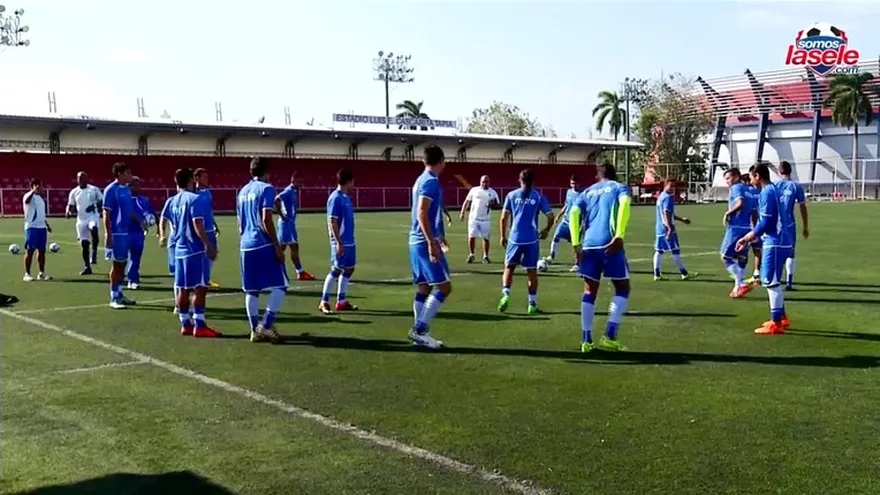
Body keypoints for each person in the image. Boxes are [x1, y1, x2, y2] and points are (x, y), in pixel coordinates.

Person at [570, 163, 631, 352]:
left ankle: (586, 340)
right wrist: (619, 235)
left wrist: (575, 243)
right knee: (622, 287)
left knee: (589, 291)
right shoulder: (619, 187)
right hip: (609, 242)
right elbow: (625, 205)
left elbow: (573, 213)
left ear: (598, 176)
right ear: (614, 174)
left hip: (588, 244)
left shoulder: (587, 192)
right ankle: (609, 336)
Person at [164, 168, 221, 338]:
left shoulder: (172, 201)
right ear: (190, 180)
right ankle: (200, 325)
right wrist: (208, 245)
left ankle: (185, 323)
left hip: (179, 249)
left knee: (182, 288)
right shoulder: (195, 199)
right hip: (195, 250)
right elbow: (198, 224)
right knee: (200, 287)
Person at [736, 162, 791, 335]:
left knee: (770, 282)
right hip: (783, 239)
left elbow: (766, 222)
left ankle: (776, 323)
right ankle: (781, 317)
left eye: (751, 177)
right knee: (774, 281)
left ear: (758, 176)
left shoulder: (767, 192)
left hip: (774, 241)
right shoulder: (775, 190)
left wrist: (747, 237)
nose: (750, 181)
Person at [237, 157, 288, 342]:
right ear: (267, 172)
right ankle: (266, 325)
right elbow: (266, 219)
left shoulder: (242, 191)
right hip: (263, 243)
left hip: (245, 246)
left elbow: (240, 223)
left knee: (252, 290)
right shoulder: (267, 188)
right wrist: (276, 244)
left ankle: (254, 330)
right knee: (281, 286)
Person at [409, 145, 452, 349]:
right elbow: (422, 212)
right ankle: (420, 330)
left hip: (415, 240)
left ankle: (420, 334)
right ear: (441, 161)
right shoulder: (430, 181)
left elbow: (430, 213)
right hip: (423, 241)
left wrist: (439, 236)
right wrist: (431, 242)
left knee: (424, 287)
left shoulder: (420, 179)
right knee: (444, 287)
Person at [498, 169, 554, 314]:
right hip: (531, 240)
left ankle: (505, 294)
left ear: (520, 180)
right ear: (533, 181)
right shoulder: (538, 196)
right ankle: (532, 304)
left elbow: (504, 218)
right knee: (531, 271)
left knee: (509, 268)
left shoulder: (511, 195)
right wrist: (546, 230)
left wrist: (502, 236)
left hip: (515, 238)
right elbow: (550, 216)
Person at [319, 169, 358, 314]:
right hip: (341, 242)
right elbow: (332, 221)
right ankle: (324, 301)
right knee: (336, 270)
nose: (353, 185)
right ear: (348, 181)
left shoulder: (345, 197)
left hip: (349, 241)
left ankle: (341, 301)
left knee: (349, 268)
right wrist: (338, 243)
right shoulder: (335, 198)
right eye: (353, 182)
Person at [102, 163, 137, 309]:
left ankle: (120, 293)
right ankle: (114, 297)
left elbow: (129, 210)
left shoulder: (126, 190)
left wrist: (141, 221)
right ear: (119, 174)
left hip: (126, 232)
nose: (130, 175)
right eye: (128, 173)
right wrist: (108, 233)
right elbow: (106, 213)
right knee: (117, 265)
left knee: (122, 264)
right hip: (117, 233)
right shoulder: (111, 190)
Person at [652, 179, 697, 281]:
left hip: (659, 228)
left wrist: (681, 220)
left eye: (674, 186)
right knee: (675, 251)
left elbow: (669, 214)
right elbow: (666, 213)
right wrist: (669, 228)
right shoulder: (668, 198)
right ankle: (684, 274)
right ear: (665, 185)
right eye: (671, 185)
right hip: (666, 227)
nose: (673, 188)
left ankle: (657, 275)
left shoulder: (661, 197)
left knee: (659, 251)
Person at [275, 171, 315, 281]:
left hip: (289, 224)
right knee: (288, 248)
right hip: (286, 225)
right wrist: (282, 215)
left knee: (285, 248)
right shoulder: (288, 191)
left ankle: (299, 272)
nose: (301, 184)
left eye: (302, 182)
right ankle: (299, 272)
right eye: (299, 182)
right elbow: (277, 199)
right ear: (293, 180)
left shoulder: (293, 191)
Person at [775, 160, 809, 290]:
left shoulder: (774, 185)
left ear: (779, 172)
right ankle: (789, 282)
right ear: (791, 171)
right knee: (790, 252)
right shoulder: (795, 186)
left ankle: (775, 280)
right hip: (789, 224)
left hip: (775, 223)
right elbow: (802, 207)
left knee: (775, 250)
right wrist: (805, 226)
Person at [720, 168, 753, 299]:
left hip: (736, 228)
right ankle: (737, 287)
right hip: (747, 227)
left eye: (728, 178)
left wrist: (728, 213)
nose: (727, 181)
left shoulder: (736, 188)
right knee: (741, 257)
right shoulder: (747, 189)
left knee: (725, 256)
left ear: (736, 177)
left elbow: (740, 203)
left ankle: (741, 283)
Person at [66, 171, 103, 274]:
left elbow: (101, 201)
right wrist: (68, 211)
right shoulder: (74, 192)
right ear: (77, 180)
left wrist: (94, 206)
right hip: (81, 219)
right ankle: (87, 267)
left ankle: (94, 253)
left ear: (87, 179)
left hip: (92, 216)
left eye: (84, 178)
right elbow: (70, 204)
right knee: (84, 244)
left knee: (94, 228)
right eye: (80, 178)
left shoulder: (94, 189)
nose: (82, 180)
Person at [458, 174, 499, 263]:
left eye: (486, 182)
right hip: (473, 218)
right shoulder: (474, 190)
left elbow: (497, 204)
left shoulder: (492, 192)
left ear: (489, 182)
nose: (485, 183)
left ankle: (485, 256)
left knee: (486, 238)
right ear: (480, 182)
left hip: (485, 219)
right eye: (483, 182)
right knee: (471, 237)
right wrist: (462, 212)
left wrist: (492, 204)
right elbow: (467, 201)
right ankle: (471, 254)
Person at [543, 175, 581, 272]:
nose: (574, 185)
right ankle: (551, 257)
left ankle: (578, 264)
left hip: (575, 223)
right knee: (556, 237)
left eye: (575, 183)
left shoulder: (582, 195)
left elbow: (584, 210)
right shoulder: (569, 192)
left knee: (575, 244)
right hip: (565, 221)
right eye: (572, 183)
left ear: (579, 183)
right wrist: (558, 216)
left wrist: (583, 224)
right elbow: (566, 205)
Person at [125, 177, 155, 289]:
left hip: (138, 233)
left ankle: (133, 280)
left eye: (139, 185)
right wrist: (141, 221)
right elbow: (129, 213)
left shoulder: (144, 200)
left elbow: (150, 214)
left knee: (136, 257)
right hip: (124, 232)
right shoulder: (124, 199)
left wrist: (150, 221)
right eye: (135, 185)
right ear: (129, 186)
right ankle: (117, 281)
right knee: (121, 258)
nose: (138, 188)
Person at [194, 168, 221, 289]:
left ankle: (206, 279)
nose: (207, 178)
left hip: (210, 229)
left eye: (207, 176)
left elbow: (209, 211)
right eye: (204, 176)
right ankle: (199, 281)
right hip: (199, 230)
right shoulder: (193, 193)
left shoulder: (208, 193)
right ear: (197, 178)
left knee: (212, 255)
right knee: (200, 256)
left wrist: (215, 224)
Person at [22, 178, 52, 282]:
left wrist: (46, 225)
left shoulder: (40, 199)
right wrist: (33, 191)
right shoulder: (28, 195)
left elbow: (41, 214)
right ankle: (27, 274)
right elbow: (26, 201)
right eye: (41, 186)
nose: (42, 188)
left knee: (42, 251)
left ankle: (41, 273)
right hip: (32, 227)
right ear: (35, 186)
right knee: (30, 251)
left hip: (41, 228)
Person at [159, 191, 179, 313]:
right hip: (177, 242)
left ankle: (182, 304)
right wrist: (162, 235)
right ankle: (179, 304)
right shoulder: (171, 201)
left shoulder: (194, 199)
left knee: (185, 275)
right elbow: (163, 218)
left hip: (186, 242)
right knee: (178, 274)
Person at [741, 171, 762, 284]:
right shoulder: (760, 191)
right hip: (760, 226)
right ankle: (757, 274)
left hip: (749, 226)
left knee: (743, 250)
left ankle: (740, 275)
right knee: (757, 251)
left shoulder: (747, 192)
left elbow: (752, 211)